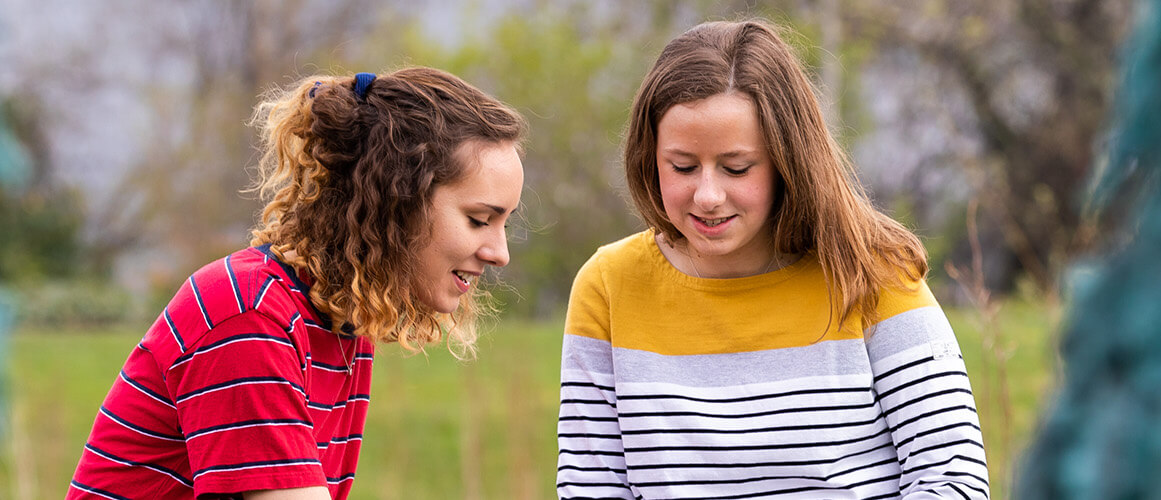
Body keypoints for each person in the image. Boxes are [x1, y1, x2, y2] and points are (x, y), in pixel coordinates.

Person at [557, 20, 990, 499]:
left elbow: (954, 479)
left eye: (736, 168)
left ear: (788, 161)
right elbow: (591, 489)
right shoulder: (607, 286)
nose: (707, 195)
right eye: (682, 166)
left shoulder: (872, 273)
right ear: (649, 156)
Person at [70, 67, 526, 500]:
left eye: (504, 223)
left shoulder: (342, 323)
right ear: (398, 201)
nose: (499, 253)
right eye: (479, 219)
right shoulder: (249, 316)